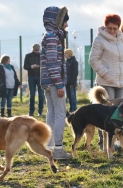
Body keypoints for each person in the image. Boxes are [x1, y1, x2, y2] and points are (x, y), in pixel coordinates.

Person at [89, 14, 123, 150]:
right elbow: (93, 60)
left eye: (115, 28)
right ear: (105, 27)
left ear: (119, 27)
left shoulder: (121, 39)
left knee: (119, 113)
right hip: (106, 81)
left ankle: (114, 142)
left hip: (120, 81)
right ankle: (104, 144)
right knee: (106, 114)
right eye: (109, 28)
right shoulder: (99, 40)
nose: (112, 31)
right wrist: (105, 73)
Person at [41, 6, 72, 159]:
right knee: (60, 114)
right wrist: (59, 84)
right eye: (65, 21)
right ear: (57, 21)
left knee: (52, 113)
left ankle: (50, 146)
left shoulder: (49, 35)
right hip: (54, 82)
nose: (66, 25)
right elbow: (53, 63)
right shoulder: (53, 36)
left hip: (48, 82)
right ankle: (58, 149)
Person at [23, 44, 45, 117]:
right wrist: (32, 66)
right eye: (35, 50)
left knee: (41, 95)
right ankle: (31, 111)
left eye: (38, 50)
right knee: (32, 95)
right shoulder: (28, 56)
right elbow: (25, 66)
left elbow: (45, 65)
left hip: (40, 76)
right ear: (33, 49)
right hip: (31, 77)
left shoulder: (42, 56)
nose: (36, 51)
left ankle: (40, 111)